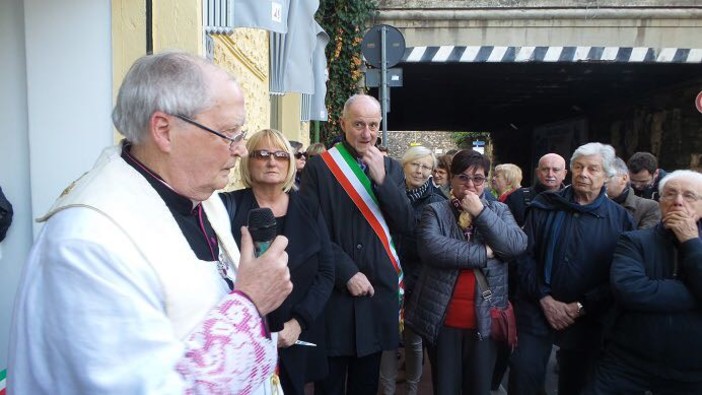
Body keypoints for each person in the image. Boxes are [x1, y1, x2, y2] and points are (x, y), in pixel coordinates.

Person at [8, 52, 293, 394]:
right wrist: (249, 304)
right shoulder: (87, 244)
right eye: (230, 133)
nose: (241, 150)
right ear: (164, 130)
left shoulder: (201, 198)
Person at [300, 94, 414, 395]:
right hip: (335, 293)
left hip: (376, 294)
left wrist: (382, 181)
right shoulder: (319, 169)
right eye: (359, 124)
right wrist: (347, 272)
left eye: (373, 125)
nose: (366, 133)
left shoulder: (391, 168)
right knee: (330, 385)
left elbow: (406, 223)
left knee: (366, 384)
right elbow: (313, 230)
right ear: (343, 124)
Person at [508, 142, 635, 395]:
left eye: (592, 168)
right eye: (578, 167)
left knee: (577, 384)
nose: (583, 173)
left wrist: (581, 306)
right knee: (524, 377)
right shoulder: (545, 205)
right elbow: (523, 256)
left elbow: (619, 274)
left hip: (588, 317)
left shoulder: (620, 219)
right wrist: (544, 298)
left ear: (606, 176)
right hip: (536, 308)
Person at [220, 129, 334, 395]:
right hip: (245, 341)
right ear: (249, 161)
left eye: (281, 155)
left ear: (290, 163)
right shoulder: (226, 206)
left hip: (297, 337)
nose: (272, 161)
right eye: (262, 154)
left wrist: (298, 323)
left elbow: (326, 272)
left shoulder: (309, 207)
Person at [405, 149, 527, 395]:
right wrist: (487, 253)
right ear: (451, 179)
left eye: (478, 178)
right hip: (444, 318)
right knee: (446, 388)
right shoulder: (436, 211)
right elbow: (432, 249)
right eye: (463, 177)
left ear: (485, 180)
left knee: (478, 388)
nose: (470, 184)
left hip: (485, 320)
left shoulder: (498, 211)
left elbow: (515, 245)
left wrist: (480, 213)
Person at [588, 170, 702, 394]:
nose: (678, 202)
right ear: (660, 202)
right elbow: (630, 291)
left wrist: (690, 242)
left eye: (689, 196)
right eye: (670, 194)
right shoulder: (634, 241)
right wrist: (694, 293)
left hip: (691, 371)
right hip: (628, 362)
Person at [378, 146, 446, 395]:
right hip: (388, 275)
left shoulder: (439, 202)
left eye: (426, 166)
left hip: (420, 277)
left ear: (431, 171)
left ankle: (412, 390)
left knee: (413, 340)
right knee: (387, 337)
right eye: (415, 164)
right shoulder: (387, 194)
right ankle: (386, 390)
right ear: (404, 166)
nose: (419, 170)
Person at [505, 153, 568, 227]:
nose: (550, 174)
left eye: (555, 170)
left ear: (564, 174)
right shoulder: (517, 197)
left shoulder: (572, 200)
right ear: (537, 172)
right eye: (545, 169)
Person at [606, 157, 661, 229]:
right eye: (633, 180)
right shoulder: (589, 203)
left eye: (607, 176)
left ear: (624, 178)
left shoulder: (649, 207)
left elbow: (643, 238)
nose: (637, 186)